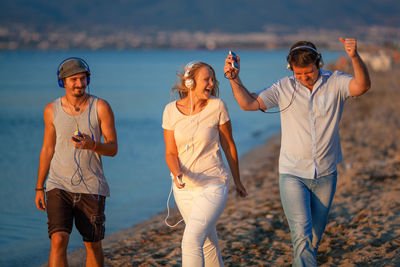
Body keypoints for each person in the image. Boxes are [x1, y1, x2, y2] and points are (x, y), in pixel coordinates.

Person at [224, 38, 371, 266]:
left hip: (326, 173)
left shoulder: (336, 82)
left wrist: (354, 57)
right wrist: (234, 79)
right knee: (301, 236)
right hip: (292, 173)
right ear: (290, 69)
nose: (303, 78)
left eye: (308, 73)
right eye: (298, 74)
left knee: (312, 240)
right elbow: (249, 103)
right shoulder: (284, 87)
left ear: (318, 64)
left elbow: (362, 86)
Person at [162, 61, 248, 266]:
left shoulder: (217, 106)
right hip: (183, 189)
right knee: (208, 242)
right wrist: (177, 173)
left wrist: (237, 181)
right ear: (190, 82)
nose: (211, 83)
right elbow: (170, 152)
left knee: (191, 241)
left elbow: (229, 146)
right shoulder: (170, 111)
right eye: (206, 79)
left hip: (213, 184)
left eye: (212, 79)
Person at [34, 57, 118, 267]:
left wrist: (93, 145)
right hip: (58, 185)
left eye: (83, 79)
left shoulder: (101, 107)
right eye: (74, 79)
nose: (79, 84)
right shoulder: (51, 110)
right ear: (63, 82)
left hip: (91, 186)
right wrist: (39, 187)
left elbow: (113, 148)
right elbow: (47, 149)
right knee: (58, 240)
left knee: (93, 244)